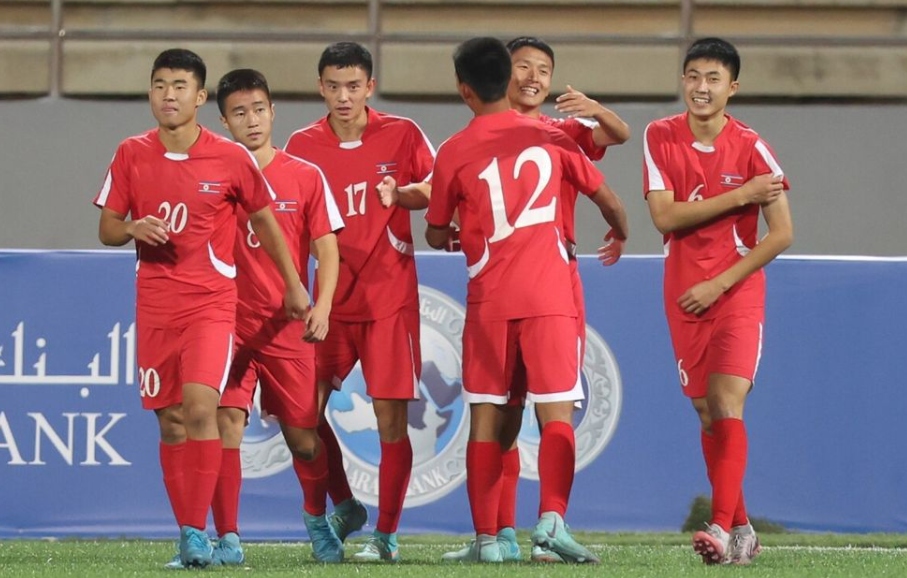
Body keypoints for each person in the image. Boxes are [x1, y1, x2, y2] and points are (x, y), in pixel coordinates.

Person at [93, 49, 309, 568]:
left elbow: (265, 221)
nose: (168, 95)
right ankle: (196, 533)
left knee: (199, 409)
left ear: (199, 97)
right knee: (170, 421)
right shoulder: (130, 153)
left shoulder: (229, 158)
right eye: (159, 85)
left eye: (179, 86)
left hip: (211, 305)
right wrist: (132, 227)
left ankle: (198, 536)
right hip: (155, 305)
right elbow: (107, 229)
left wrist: (293, 284)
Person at [426, 37, 628, 564]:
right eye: (524, 67)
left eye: (543, 69)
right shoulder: (552, 137)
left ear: (464, 89)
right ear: (507, 77)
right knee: (554, 409)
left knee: (489, 418)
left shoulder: (454, 149)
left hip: (490, 299)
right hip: (550, 291)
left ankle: (488, 540)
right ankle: (549, 520)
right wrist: (621, 230)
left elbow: (434, 229)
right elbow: (610, 199)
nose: (534, 77)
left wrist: (454, 231)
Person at [642, 37, 793, 565]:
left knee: (727, 403)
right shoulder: (659, 135)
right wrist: (741, 195)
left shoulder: (753, 147)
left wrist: (721, 283)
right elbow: (664, 217)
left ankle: (722, 530)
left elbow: (782, 233)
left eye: (713, 78)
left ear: (733, 87)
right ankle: (744, 529)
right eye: (693, 76)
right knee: (707, 414)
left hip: (736, 291)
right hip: (684, 294)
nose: (700, 87)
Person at [284, 41, 435, 563]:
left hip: (389, 300)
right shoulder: (301, 145)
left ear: (370, 86)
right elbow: (290, 218)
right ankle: (346, 505)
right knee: (301, 415)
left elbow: (437, 187)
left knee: (391, 422)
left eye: (353, 86)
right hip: (328, 303)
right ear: (320, 88)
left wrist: (404, 194)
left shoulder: (404, 133)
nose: (343, 96)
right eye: (334, 86)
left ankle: (386, 537)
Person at [210, 69, 344, 564]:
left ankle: (316, 519)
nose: (251, 120)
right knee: (225, 424)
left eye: (258, 110)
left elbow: (327, 248)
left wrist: (322, 306)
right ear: (224, 121)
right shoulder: (213, 175)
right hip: (226, 322)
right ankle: (228, 538)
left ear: (272, 112)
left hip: (288, 327)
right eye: (239, 113)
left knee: (304, 439)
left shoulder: (305, 175)